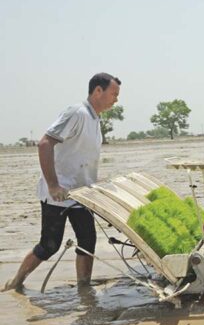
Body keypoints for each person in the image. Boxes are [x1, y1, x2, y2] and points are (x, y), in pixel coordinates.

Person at [2, 73, 121, 292]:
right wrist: (53, 185)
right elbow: (45, 143)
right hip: (59, 194)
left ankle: (84, 288)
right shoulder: (77, 113)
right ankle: (16, 281)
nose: (116, 99)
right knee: (49, 246)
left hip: (80, 194)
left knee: (87, 242)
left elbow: (81, 157)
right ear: (97, 91)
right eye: (113, 94)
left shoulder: (95, 119)